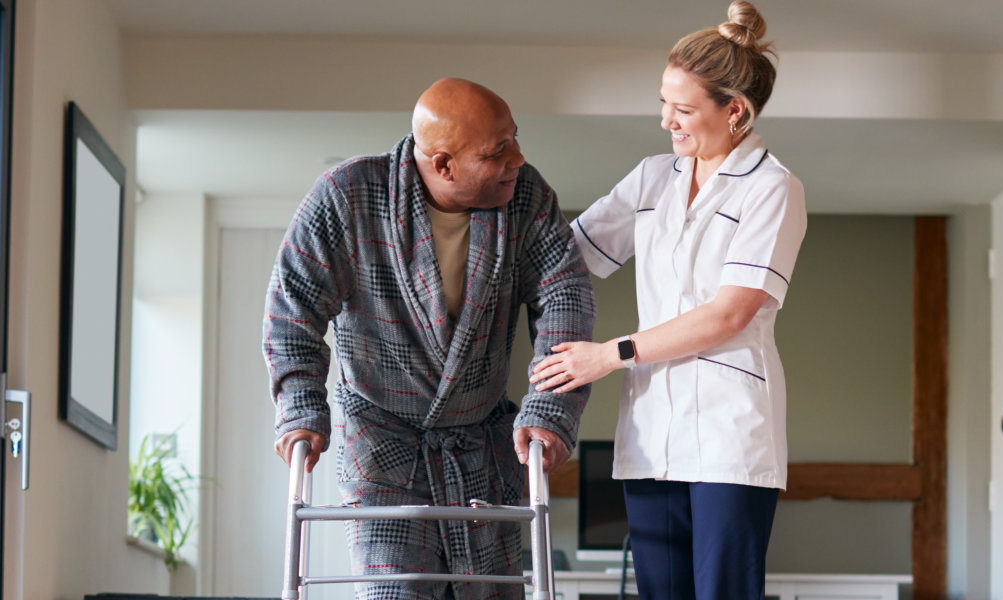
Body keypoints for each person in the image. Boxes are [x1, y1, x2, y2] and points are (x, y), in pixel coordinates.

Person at [264, 78, 592, 600]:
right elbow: (292, 311)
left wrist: (549, 409)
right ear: (442, 164)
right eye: (497, 150)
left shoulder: (526, 196)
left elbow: (564, 297)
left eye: (515, 138)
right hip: (383, 444)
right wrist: (302, 407)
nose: (518, 158)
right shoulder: (347, 196)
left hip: (482, 443)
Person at [531, 2, 806, 599]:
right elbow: (567, 257)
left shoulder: (772, 187)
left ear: (734, 111)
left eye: (682, 109)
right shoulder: (653, 178)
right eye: (664, 103)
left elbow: (731, 312)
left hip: (730, 433)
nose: (666, 121)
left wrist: (607, 355)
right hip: (652, 429)